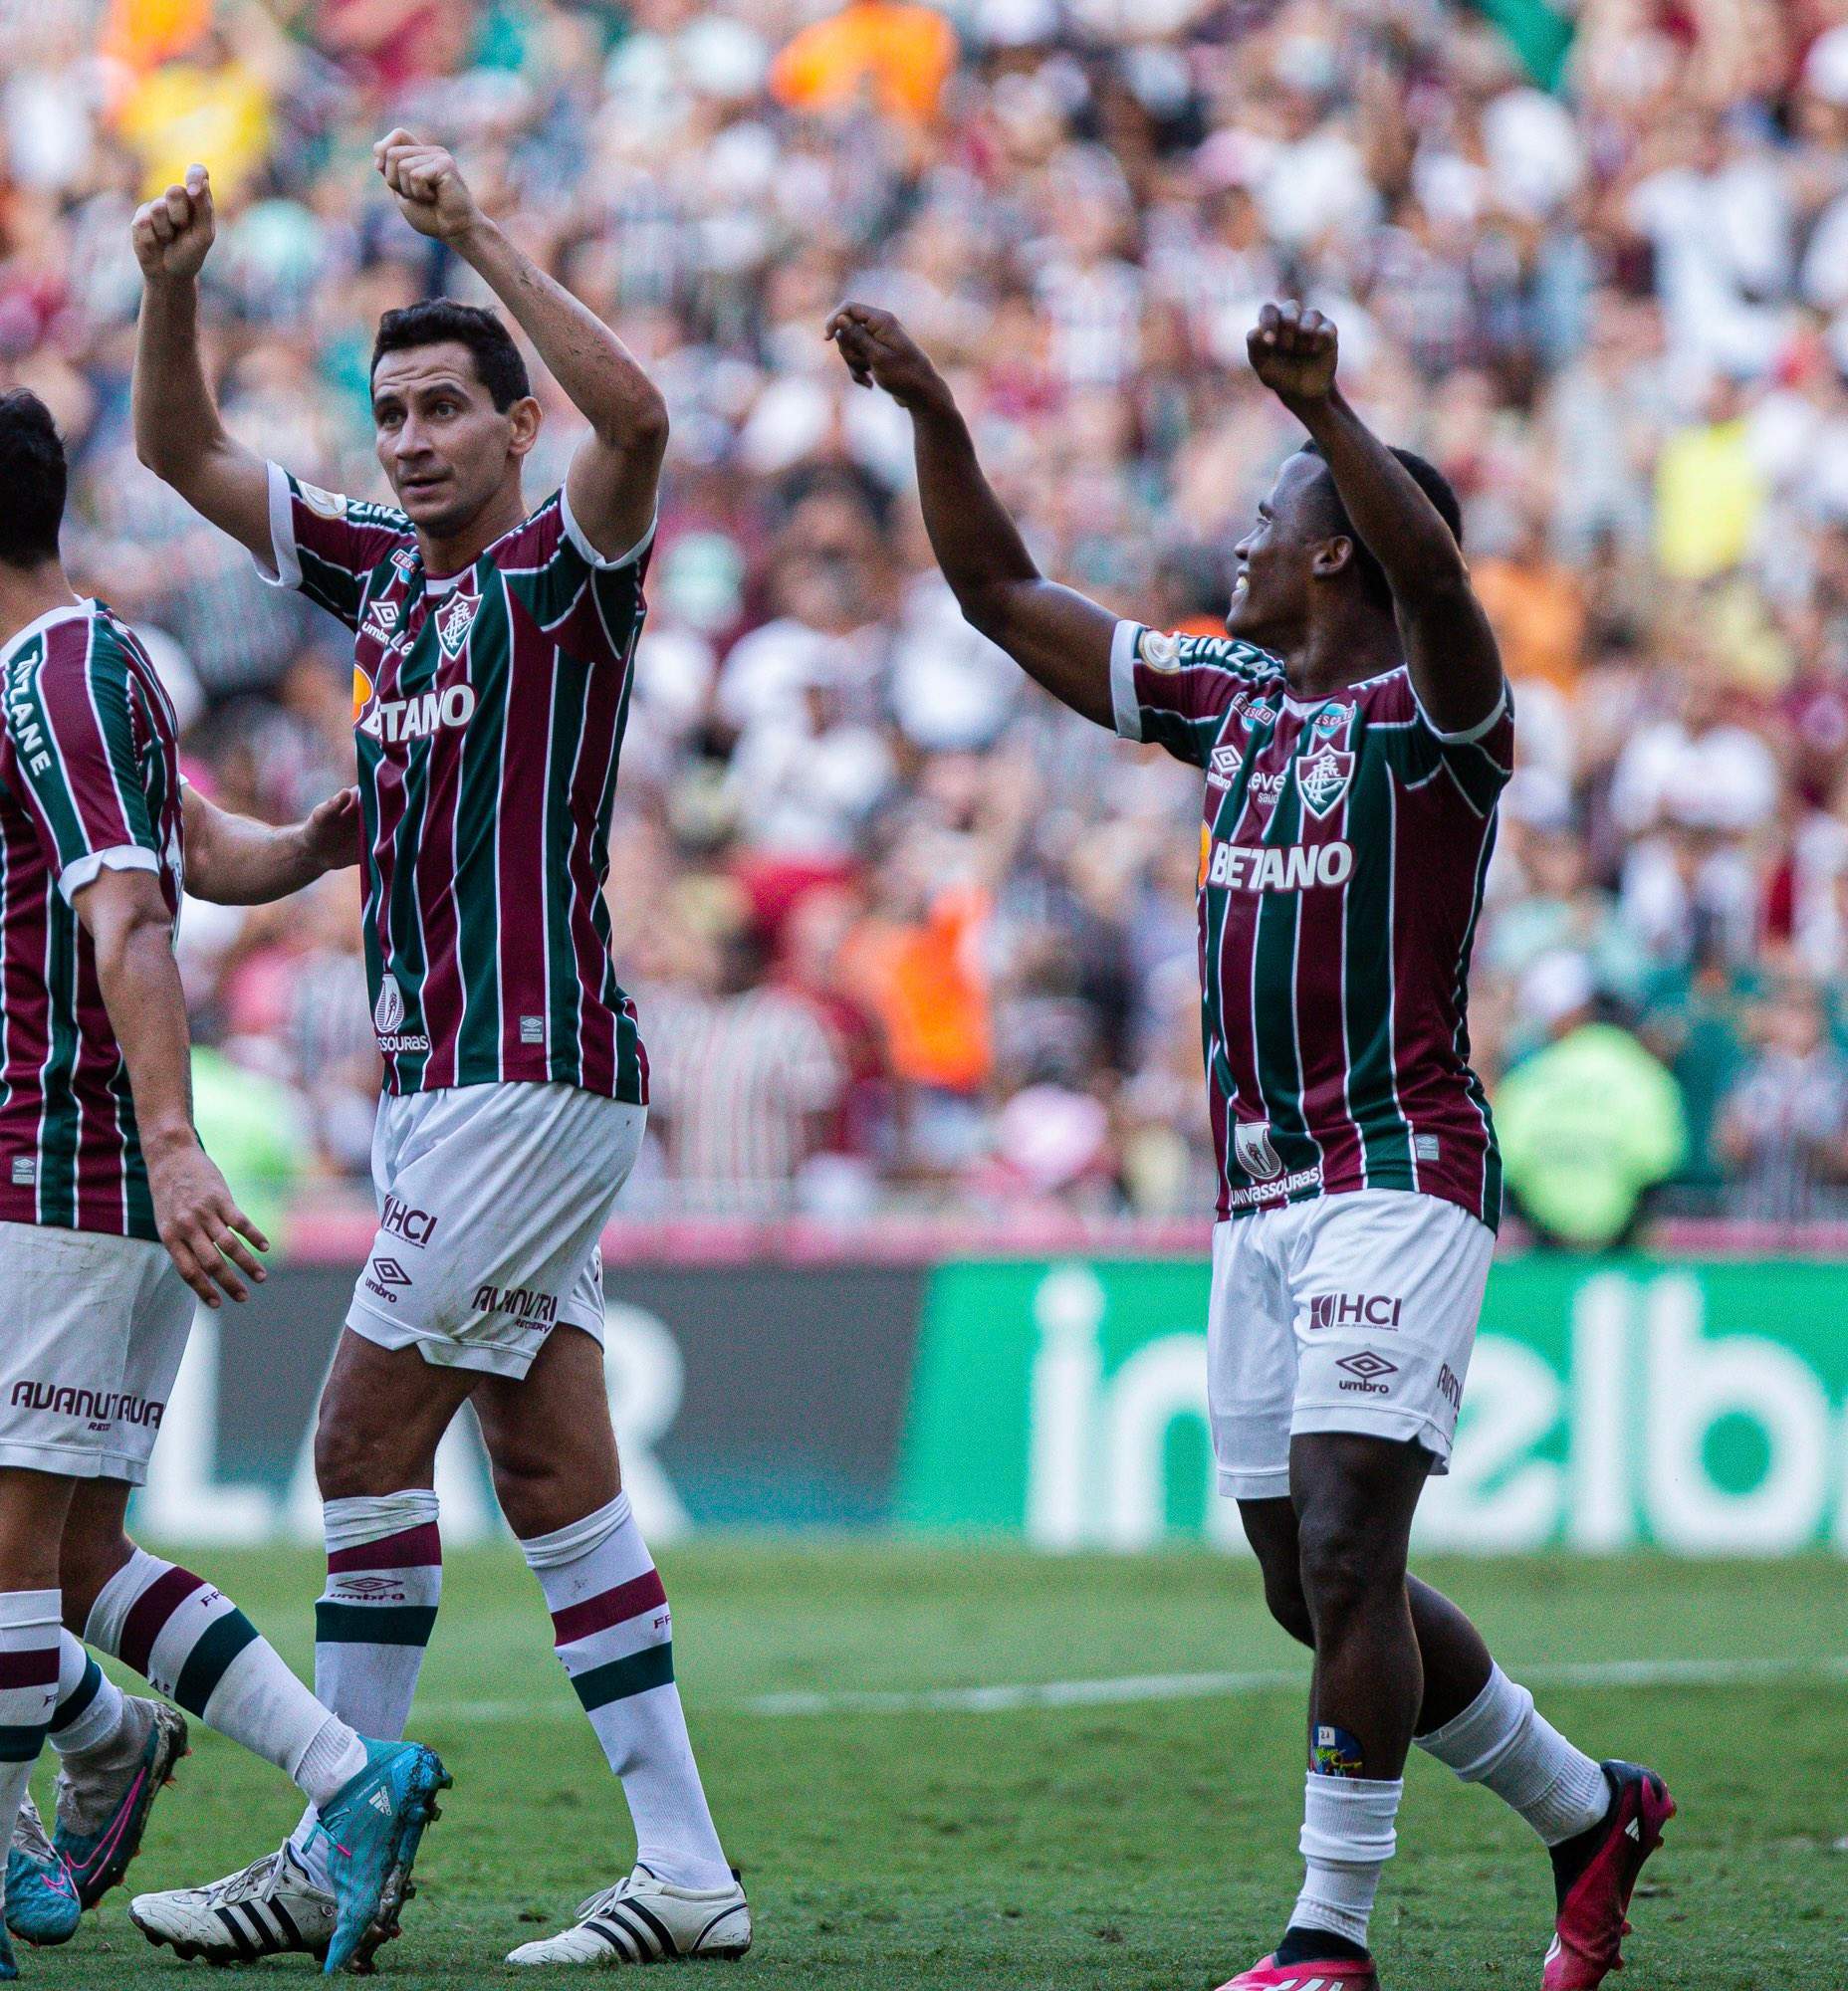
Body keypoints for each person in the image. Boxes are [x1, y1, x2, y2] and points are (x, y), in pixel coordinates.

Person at [825, 297, 1673, 1991]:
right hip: (1258, 1201)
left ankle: (1325, 1941)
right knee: (1311, 1587)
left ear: (1339, 556)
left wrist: (1333, 410)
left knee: (1358, 1547)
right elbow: (1005, 599)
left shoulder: (1442, 715)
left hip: (1397, 1171)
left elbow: (1439, 588)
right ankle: (1590, 1813)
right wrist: (928, 403)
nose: (1233, 543)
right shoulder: (1233, 701)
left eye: (1270, 522)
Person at [127, 135, 747, 1969]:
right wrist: (172, 290)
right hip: (452, 1094)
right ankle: (688, 1871)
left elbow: (638, 425)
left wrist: (476, 223)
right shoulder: (384, 582)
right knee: (553, 1478)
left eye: (441, 413)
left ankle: (336, 1837)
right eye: (387, 411)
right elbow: (180, 451)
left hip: (528, 1072)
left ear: (509, 422)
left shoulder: (564, 568)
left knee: (356, 1436)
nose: (406, 442)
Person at [0, 387, 449, 1977]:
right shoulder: (91, 661)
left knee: (16, 1547)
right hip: (79, 1170)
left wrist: (178, 1147)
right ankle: (341, 1773)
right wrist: (314, 847)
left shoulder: (52, 674)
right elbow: (190, 848)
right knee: (71, 1558)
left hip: (55, 1157)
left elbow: (131, 913)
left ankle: (19, 1845)